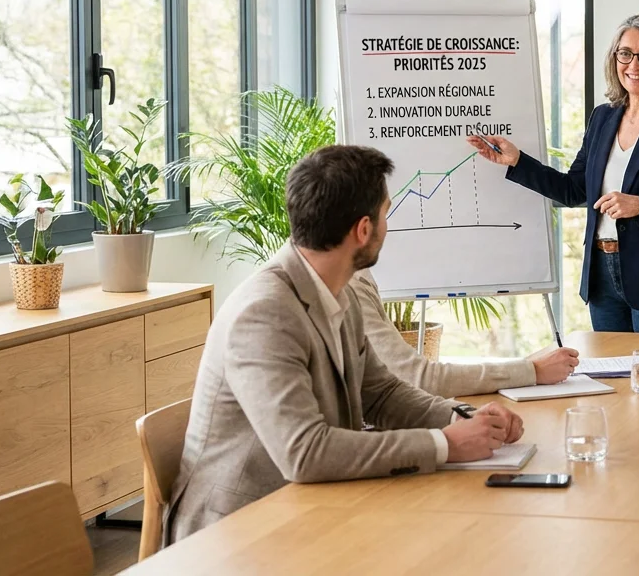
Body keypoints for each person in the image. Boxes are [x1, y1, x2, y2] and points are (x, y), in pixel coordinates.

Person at [166, 145, 524, 543]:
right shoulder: (264, 313)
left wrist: (461, 418)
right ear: (364, 230)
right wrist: (443, 445)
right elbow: (304, 453)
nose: (389, 225)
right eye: (387, 213)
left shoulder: (339, 289)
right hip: (236, 532)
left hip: (312, 505)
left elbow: (381, 393)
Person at [469, 14, 639, 333]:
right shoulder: (603, 117)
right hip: (602, 276)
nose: (634, 65)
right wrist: (518, 161)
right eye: (625, 53)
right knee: (611, 378)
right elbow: (574, 190)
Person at [350, 269, 582, 394]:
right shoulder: (350, 285)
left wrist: (456, 416)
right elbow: (418, 379)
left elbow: (386, 389)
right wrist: (531, 371)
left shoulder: (357, 273)